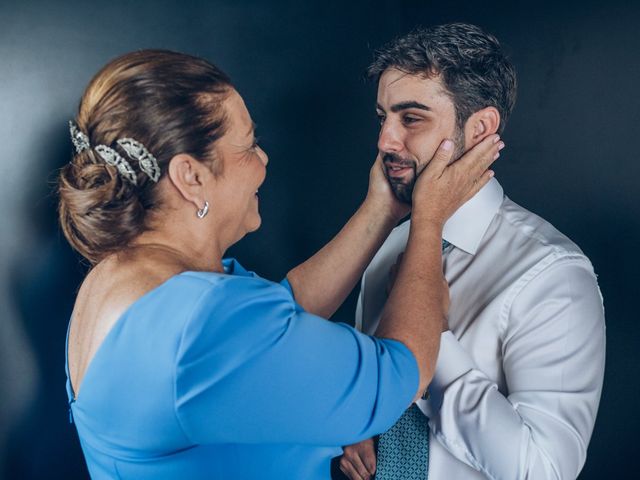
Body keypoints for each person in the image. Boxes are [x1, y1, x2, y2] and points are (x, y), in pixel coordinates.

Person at [58, 49, 501, 479]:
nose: (264, 160)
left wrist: (381, 210)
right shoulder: (205, 319)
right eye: (249, 145)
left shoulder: (117, 278)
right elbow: (403, 372)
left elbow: (281, 315)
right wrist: (428, 220)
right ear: (191, 178)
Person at [339, 23, 605, 480]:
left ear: (480, 129)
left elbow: (543, 470)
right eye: (382, 117)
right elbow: (371, 385)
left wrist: (429, 334)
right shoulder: (388, 249)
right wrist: (357, 423)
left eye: (411, 118)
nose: (385, 140)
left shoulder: (552, 273)